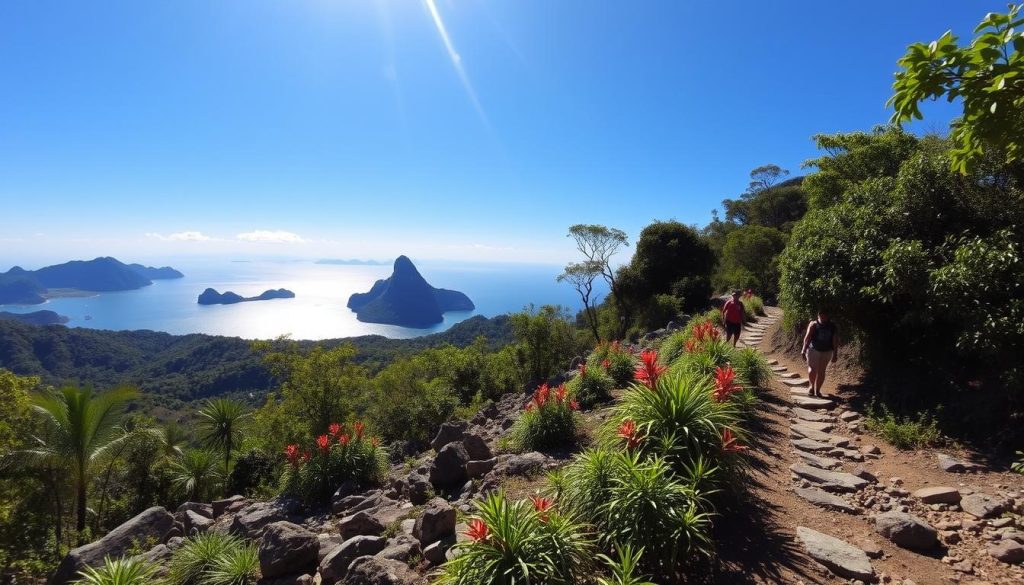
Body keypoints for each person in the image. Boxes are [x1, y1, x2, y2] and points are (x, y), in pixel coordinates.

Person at [802, 308, 840, 398]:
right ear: (818, 316)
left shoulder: (831, 326)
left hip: (825, 351)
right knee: (814, 369)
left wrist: (835, 354)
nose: (822, 318)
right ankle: (813, 387)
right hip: (815, 350)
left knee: (820, 371)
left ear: (827, 317)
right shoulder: (815, 324)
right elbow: (807, 338)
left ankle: (817, 389)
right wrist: (803, 349)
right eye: (821, 317)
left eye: (824, 317)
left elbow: (835, 341)